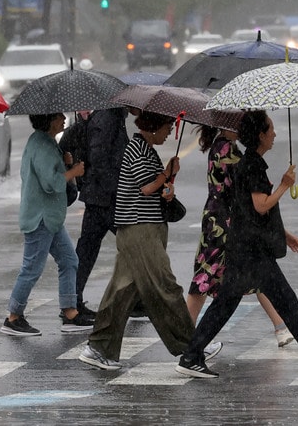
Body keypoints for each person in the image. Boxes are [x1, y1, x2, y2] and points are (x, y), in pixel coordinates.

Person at [175, 110, 298, 380]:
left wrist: (283, 232)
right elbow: (260, 205)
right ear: (260, 135)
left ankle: (191, 355)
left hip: (243, 246)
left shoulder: (249, 162)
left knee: (225, 304)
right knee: (286, 302)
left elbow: (246, 208)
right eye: (271, 129)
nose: (275, 134)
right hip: (252, 251)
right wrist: (283, 185)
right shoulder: (253, 164)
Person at [78, 111, 217, 370]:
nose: (168, 134)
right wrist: (167, 173)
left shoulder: (145, 149)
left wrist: (167, 187)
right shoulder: (138, 149)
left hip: (139, 228)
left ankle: (98, 348)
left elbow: (153, 188)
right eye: (166, 128)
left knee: (121, 292)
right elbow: (146, 187)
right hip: (140, 230)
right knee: (165, 286)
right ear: (153, 128)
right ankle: (192, 346)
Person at [185, 123, 298, 347]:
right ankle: (186, 340)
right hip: (224, 224)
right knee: (205, 280)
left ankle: (281, 326)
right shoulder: (228, 151)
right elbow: (252, 197)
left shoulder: (223, 146)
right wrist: (277, 185)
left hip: (222, 219)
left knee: (252, 272)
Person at [2, 111, 94, 337]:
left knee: (69, 260)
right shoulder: (42, 145)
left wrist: (65, 163)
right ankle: (13, 317)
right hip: (40, 218)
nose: (64, 118)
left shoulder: (46, 142)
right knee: (31, 268)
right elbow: (50, 183)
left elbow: (51, 172)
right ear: (48, 120)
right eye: (58, 116)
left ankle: (70, 313)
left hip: (50, 217)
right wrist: (73, 171)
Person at [61, 106, 129, 316]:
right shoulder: (107, 117)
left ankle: (73, 302)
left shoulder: (106, 117)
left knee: (88, 249)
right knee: (133, 246)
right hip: (105, 197)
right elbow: (99, 156)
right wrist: (114, 188)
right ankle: (73, 303)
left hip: (98, 195)